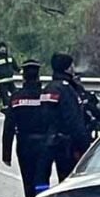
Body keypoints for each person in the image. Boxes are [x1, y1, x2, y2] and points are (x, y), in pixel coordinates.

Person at [2, 60, 52, 197]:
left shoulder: (16, 98)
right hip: (45, 144)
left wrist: (6, 154)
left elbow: (9, 126)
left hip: (24, 145)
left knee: (28, 179)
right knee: (43, 179)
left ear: (23, 77)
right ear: (38, 76)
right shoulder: (46, 95)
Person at [39, 53, 91, 189]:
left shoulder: (48, 88)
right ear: (68, 68)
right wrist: (84, 146)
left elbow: (44, 117)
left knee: (44, 178)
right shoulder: (67, 89)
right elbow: (74, 120)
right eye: (72, 65)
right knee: (69, 182)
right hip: (68, 145)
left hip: (50, 142)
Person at [0, 42, 20, 112]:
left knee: (15, 93)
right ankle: (7, 108)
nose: (3, 49)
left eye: (4, 47)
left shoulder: (10, 57)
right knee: (4, 96)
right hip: (1, 81)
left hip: (10, 80)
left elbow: (16, 67)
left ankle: (15, 105)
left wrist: (23, 72)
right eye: (1, 47)